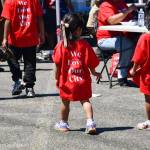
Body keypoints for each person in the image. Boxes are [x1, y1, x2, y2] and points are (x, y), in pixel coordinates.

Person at [52, 13, 101, 134]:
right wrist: (94, 72)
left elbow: (57, 64)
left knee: (65, 102)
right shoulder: (84, 45)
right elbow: (91, 62)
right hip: (82, 81)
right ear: (78, 30)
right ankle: (90, 123)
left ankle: (63, 124)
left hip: (67, 81)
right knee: (85, 101)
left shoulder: (61, 46)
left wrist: (57, 77)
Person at [1, 0, 45, 97]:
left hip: (15, 39)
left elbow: (7, 20)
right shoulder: (34, 1)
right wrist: (42, 33)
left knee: (12, 61)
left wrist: (4, 38)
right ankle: (29, 88)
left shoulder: (10, 2)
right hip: (31, 38)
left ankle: (18, 81)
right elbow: (39, 18)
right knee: (30, 64)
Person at [96, 0, 137, 86]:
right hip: (105, 40)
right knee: (127, 44)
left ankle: (137, 72)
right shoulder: (105, 5)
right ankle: (122, 76)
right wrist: (128, 10)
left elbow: (129, 19)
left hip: (120, 37)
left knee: (140, 41)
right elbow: (111, 20)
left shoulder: (121, 2)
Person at [129, 0, 150, 130]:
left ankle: (149, 121)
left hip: (148, 75)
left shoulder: (145, 38)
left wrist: (133, 69)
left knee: (148, 99)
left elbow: (138, 57)